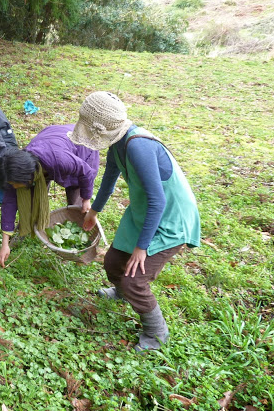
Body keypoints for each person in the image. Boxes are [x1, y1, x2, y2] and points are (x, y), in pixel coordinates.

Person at [69, 91, 201, 351]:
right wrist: (94, 210)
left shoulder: (138, 146)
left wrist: (142, 248)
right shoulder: (118, 143)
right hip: (145, 210)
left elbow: (159, 201)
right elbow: (109, 178)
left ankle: (156, 333)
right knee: (113, 261)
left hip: (170, 218)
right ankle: (120, 293)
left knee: (134, 278)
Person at [0, 125, 100, 268]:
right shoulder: (20, 167)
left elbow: (86, 172)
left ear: (29, 177)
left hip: (83, 148)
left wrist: (86, 199)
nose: (14, 187)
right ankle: (25, 229)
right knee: (28, 195)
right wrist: (4, 244)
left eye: (15, 184)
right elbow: (9, 203)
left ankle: (76, 249)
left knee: (76, 202)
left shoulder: (60, 160)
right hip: (52, 141)